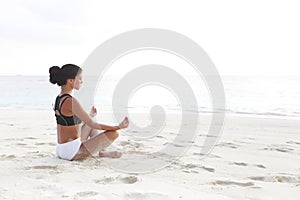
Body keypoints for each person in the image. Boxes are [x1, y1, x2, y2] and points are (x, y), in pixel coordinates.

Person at [49, 64, 129, 161]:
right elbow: (94, 125)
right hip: (72, 152)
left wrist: (90, 116)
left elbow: (71, 124)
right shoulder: (71, 101)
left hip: (62, 149)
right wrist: (118, 127)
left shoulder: (59, 98)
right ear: (70, 81)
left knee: (91, 119)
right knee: (113, 133)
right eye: (79, 79)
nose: (82, 81)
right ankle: (102, 152)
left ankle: (102, 151)